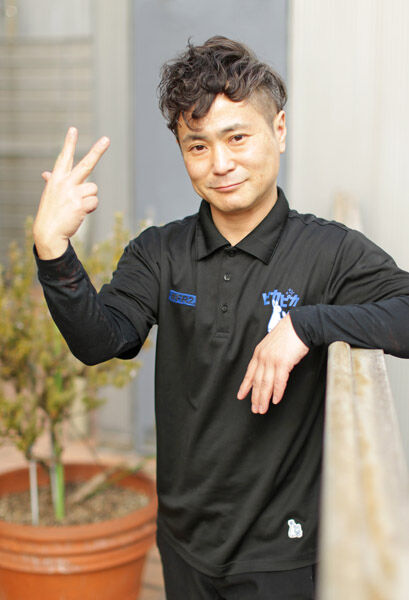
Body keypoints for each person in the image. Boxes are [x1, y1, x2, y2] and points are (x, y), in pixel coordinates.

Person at [33, 36, 409, 599]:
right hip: (184, 539)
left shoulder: (330, 252)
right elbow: (100, 340)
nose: (221, 164)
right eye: (198, 145)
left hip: (282, 550)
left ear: (279, 130)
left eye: (237, 137)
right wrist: (52, 249)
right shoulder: (159, 252)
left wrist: (308, 325)